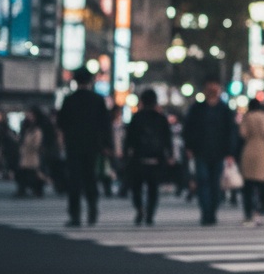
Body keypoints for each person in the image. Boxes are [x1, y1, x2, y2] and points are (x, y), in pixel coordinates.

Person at [56, 67, 112, 227]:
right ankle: (92, 209)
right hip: (93, 145)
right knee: (90, 178)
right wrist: (107, 145)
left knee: (74, 180)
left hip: (73, 145)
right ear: (90, 81)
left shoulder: (69, 99)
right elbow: (105, 125)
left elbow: (61, 123)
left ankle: (75, 215)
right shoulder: (98, 100)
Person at [182, 78, 237, 226]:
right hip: (200, 151)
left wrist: (231, 152)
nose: (213, 89)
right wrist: (189, 147)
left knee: (215, 184)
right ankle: (206, 212)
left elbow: (231, 131)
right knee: (203, 181)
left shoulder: (225, 109)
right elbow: (188, 129)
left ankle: (212, 211)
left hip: (219, 152)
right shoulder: (197, 108)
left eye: (215, 86)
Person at [124, 89, 173, 225]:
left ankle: (139, 209)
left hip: (138, 156)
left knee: (137, 187)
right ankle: (150, 213)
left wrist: (126, 152)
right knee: (153, 188)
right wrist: (170, 154)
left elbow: (129, 138)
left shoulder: (136, 117)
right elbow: (167, 138)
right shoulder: (161, 118)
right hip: (156, 157)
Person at [239, 100, 264, 227]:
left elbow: (243, 133)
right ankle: (258, 213)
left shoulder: (247, 117)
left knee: (248, 186)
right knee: (261, 184)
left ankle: (248, 213)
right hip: (262, 152)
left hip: (248, 150)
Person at [14, 108, 45, 197]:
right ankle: (24, 189)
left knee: (31, 173)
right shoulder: (27, 127)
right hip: (26, 154)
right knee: (25, 173)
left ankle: (32, 189)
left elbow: (36, 143)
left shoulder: (37, 129)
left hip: (32, 155)